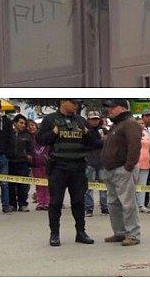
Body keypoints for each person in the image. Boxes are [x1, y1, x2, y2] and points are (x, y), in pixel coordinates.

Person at [36, 99, 101, 247]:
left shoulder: (81, 120)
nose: (76, 106)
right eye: (74, 103)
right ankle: (54, 234)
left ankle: (81, 232)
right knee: (56, 202)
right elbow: (40, 140)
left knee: (79, 202)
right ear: (63, 102)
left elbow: (96, 143)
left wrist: (87, 133)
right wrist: (53, 133)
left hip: (78, 168)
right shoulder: (50, 119)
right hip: (58, 167)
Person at [99, 99, 143, 247]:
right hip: (111, 170)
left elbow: (135, 146)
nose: (109, 110)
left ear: (123, 108)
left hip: (122, 170)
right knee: (113, 203)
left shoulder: (130, 123)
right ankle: (119, 232)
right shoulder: (116, 125)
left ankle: (133, 234)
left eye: (112, 107)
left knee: (127, 203)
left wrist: (128, 167)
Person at [84, 111, 110, 216]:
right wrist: (101, 141)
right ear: (88, 120)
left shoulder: (104, 130)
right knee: (88, 188)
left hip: (102, 162)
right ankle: (89, 208)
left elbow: (109, 143)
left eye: (96, 119)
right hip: (89, 162)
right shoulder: (85, 130)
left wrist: (100, 142)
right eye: (92, 119)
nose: (95, 121)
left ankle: (105, 207)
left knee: (103, 187)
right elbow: (89, 144)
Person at [9, 114, 33, 212]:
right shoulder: (9, 134)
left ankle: (23, 204)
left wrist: (29, 156)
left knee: (23, 185)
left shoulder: (27, 135)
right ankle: (12, 204)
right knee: (11, 185)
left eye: (24, 123)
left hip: (23, 163)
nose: (23, 125)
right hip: (10, 162)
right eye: (21, 123)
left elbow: (31, 149)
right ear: (15, 123)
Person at [28, 120, 50, 211]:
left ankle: (48, 202)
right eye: (29, 126)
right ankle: (41, 202)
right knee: (39, 185)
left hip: (46, 164)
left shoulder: (43, 137)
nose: (31, 127)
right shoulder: (28, 138)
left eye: (32, 125)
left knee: (47, 185)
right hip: (35, 165)